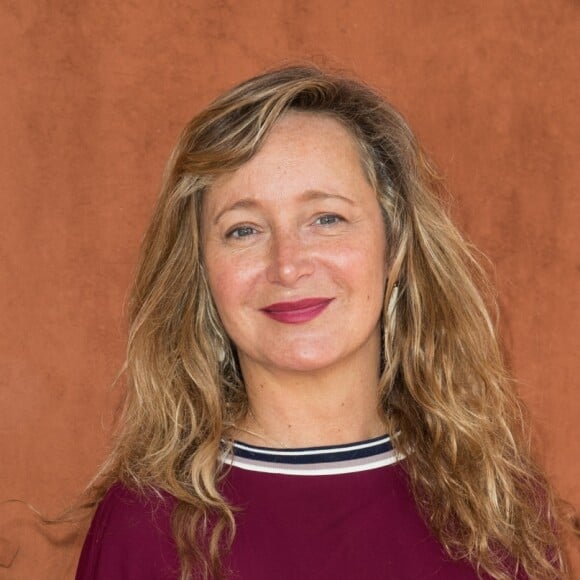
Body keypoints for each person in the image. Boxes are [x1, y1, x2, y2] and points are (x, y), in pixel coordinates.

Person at [74, 65, 568, 579]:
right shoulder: (144, 524)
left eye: (326, 219)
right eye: (243, 230)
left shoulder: (493, 507)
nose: (287, 264)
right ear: (201, 270)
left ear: (394, 244)